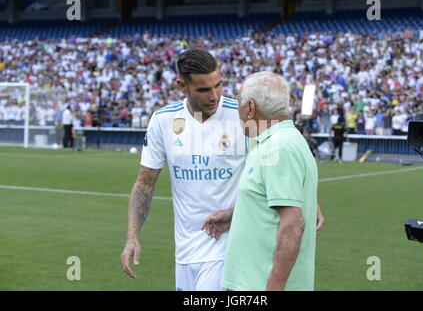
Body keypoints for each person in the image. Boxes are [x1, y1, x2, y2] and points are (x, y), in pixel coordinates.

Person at [120, 49, 325, 291]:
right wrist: (132, 236)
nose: (214, 95)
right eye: (204, 89)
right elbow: (145, 182)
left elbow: (280, 162)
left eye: (218, 85)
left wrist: (308, 201)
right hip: (185, 250)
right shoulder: (163, 120)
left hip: (227, 248)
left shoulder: (243, 115)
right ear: (182, 86)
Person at [217, 71, 318, 291]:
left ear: (251, 108)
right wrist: (234, 215)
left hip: (259, 286)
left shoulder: (279, 148)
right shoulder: (273, 142)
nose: (238, 113)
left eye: (239, 105)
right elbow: (270, 204)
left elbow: (293, 225)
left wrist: (274, 287)